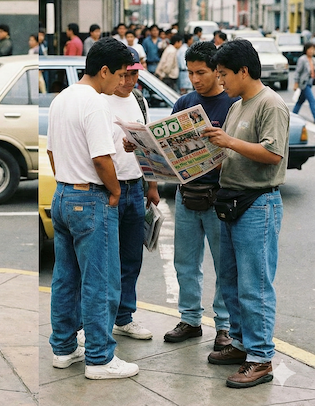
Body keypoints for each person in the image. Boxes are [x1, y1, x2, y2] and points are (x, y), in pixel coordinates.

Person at [47, 36, 139, 380]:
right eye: (119, 74)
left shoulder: (62, 98)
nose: (121, 82)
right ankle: (100, 358)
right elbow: (102, 158)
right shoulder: (97, 103)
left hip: (63, 194)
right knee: (100, 282)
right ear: (103, 71)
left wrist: (67, 181)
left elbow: (52, 152)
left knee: (65, 279)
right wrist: (114, 192)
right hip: (90, 198)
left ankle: (63, 348)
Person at [202, 38, 288, 389]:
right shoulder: (237, 106)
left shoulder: (271, 104)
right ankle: (240, 343)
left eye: (223, 74)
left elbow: (273, 154)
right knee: (231, 281)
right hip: (231, 201)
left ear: (243, 71)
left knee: (255, 286)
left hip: (258, 204)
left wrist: (228, 142)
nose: (220, 80)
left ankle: (260, 358)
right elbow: (232, 153)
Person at [154, 41, 237, 351]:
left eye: (201, 72)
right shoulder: (184, 103)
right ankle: (190, 319)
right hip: (187, 194)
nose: (195, 79)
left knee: (224, 265)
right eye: (190, 73)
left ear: (217, 71)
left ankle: (224, 326)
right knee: (185, 262)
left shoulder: (232, 103)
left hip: (219, 196)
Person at [104, 47, 159, 342]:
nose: (129, 81)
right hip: (108, 189)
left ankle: (124, 317)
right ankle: (100, 320)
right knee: (105, 260)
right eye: (124, 74)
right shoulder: (101, 99)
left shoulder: (139, 100)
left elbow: (147, 145)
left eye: (134, 74)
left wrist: (152, 185)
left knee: (131, 257)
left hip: (135, 186)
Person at [293, 42, 315, 118]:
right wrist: (296, 83)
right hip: (304, 84)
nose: (311, 51)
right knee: (312, 101)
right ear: (306, 50)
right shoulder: (302, 59)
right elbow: (297, 72)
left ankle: (293, 115)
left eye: (313, 49)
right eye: (310, 49)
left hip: (310, 83)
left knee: (300, 101)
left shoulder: (313, 60)